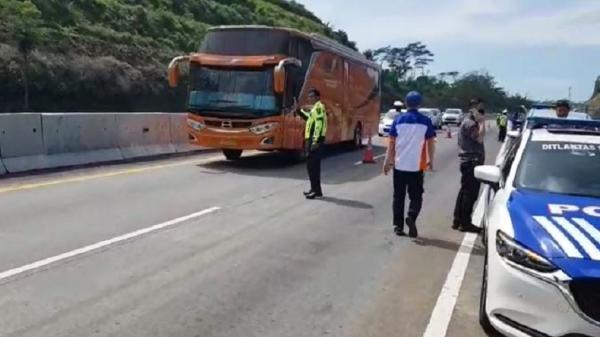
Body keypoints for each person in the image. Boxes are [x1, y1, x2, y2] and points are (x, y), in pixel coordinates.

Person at [383, 91, 436, 238]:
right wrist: (431, 159)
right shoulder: (426, 121)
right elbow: (431, 142)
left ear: (406, 104)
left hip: (399, 166)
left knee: (398, 197)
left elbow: (391, 144)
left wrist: (387, 162)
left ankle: (398, 226)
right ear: (419, 104)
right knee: (416, 196)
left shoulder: (398, 120)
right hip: (416, 167)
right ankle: (411, 216)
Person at [452, 98, 486, 233]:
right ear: (472, 109)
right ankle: (465, 223)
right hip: (471, 162)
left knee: (464, 191)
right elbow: (480, 138)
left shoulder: (470, 122)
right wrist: (482, 123)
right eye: (479, 109)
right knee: (470, 194)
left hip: (470, 161)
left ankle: (458, 219)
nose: (481, 112)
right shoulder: (470, 124)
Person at [298, 89, 328, 200]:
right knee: (311, 167)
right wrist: (299, 111)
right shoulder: (315, 109)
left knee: (313, 167)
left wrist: (315, 141)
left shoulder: (319, 107)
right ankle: (315, 189)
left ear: (317, 97)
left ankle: (315, 190)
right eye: (309, 96)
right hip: (310, 140)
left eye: (312, 96)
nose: (310, 98)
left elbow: (319, 125)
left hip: (314, 140)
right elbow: (309, 118)